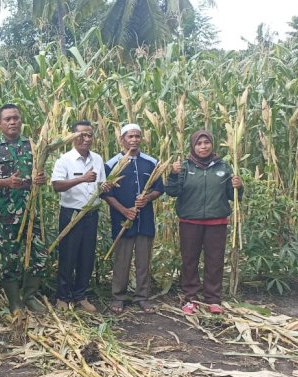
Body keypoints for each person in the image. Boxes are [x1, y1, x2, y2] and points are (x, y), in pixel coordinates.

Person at [165, 130, 243, 315]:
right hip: (190, 221)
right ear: (193, 146)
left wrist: (239, 187)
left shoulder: (223, 167)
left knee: (214, 261)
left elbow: (233, 197)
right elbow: (172, 192)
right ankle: (190, 298)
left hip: (217, 222)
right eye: (199, 143)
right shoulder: (183, 167)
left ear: (212, 145)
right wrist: (173, 174)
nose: (203, 147)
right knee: (190, 260)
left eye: (206, 143)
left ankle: (213, 299)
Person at [0, 104, 48, 314]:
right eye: (7, 119)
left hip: (32, 210)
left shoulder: (32, 145)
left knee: (38, 254)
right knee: (10, 257)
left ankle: (30, 296)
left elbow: (41, 174)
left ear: (21, 121)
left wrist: (41, 179)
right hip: (7, 213)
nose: (12, 122)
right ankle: (15, 302)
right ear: (0, 124)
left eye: (16, 118)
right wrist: (6, 183)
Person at [103, 123, 164, 314]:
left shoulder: (151, 163)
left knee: (143, 260)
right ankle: (118, 297)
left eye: (137, 136)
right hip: (122, 220)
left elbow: (159, 188)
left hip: (144, 219)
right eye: (130, 137)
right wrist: (124, 211)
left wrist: (147, 198)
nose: (134, 140)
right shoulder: (112, 164)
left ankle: (142, 296)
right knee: (122, 259)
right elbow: (106, 194)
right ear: (122, 139)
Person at [51, 120, 105, 313]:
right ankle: (63, 297)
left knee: (86, 256)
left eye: (89, 135)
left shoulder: (97, 159)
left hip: (91, 214)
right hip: (71, 214)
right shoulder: (64, 160)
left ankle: (81, 295)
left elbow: (101, 185)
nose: (86, 139)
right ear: (73, 137)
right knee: (68, 256)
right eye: (81, 135)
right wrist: (81, 178)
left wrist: (106, 186)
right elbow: (56, 186)